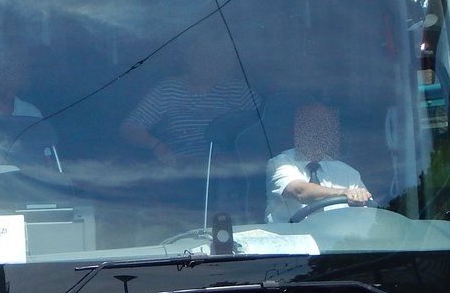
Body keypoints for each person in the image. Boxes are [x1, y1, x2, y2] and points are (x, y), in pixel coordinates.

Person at [119, 28, 260, 166]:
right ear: (188, 56)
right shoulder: (167, 89)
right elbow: (131, 127)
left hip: (229, 175)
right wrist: (158, 147)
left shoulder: (240, 91)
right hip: (180, 174)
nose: (210, 62)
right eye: (204, 54)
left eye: (219, 56)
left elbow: (267, 128)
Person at [265, 101, 371, 222]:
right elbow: (300, 191)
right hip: (289, 238)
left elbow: (369, 217)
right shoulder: (280, 162)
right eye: (311, 126)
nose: (318, 132)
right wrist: (343, 192)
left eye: (325, 127)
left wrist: (361, 199)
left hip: (338, 240)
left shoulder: (349, 174)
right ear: (297, 131)